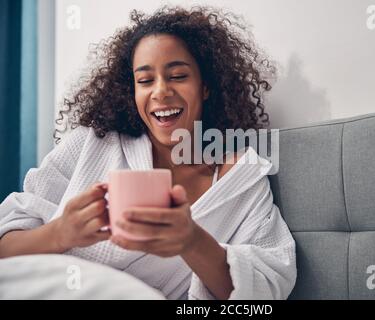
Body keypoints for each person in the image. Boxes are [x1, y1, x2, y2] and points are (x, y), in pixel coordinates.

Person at [0, 6, 296, 300]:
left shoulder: (241, 180)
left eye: (178, 76)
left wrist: (192, 241)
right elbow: (5, 243)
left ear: (205, 86)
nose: (160, 91)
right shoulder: (92, 143)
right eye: (144, 81)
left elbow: (264, 291)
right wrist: (60, 233)